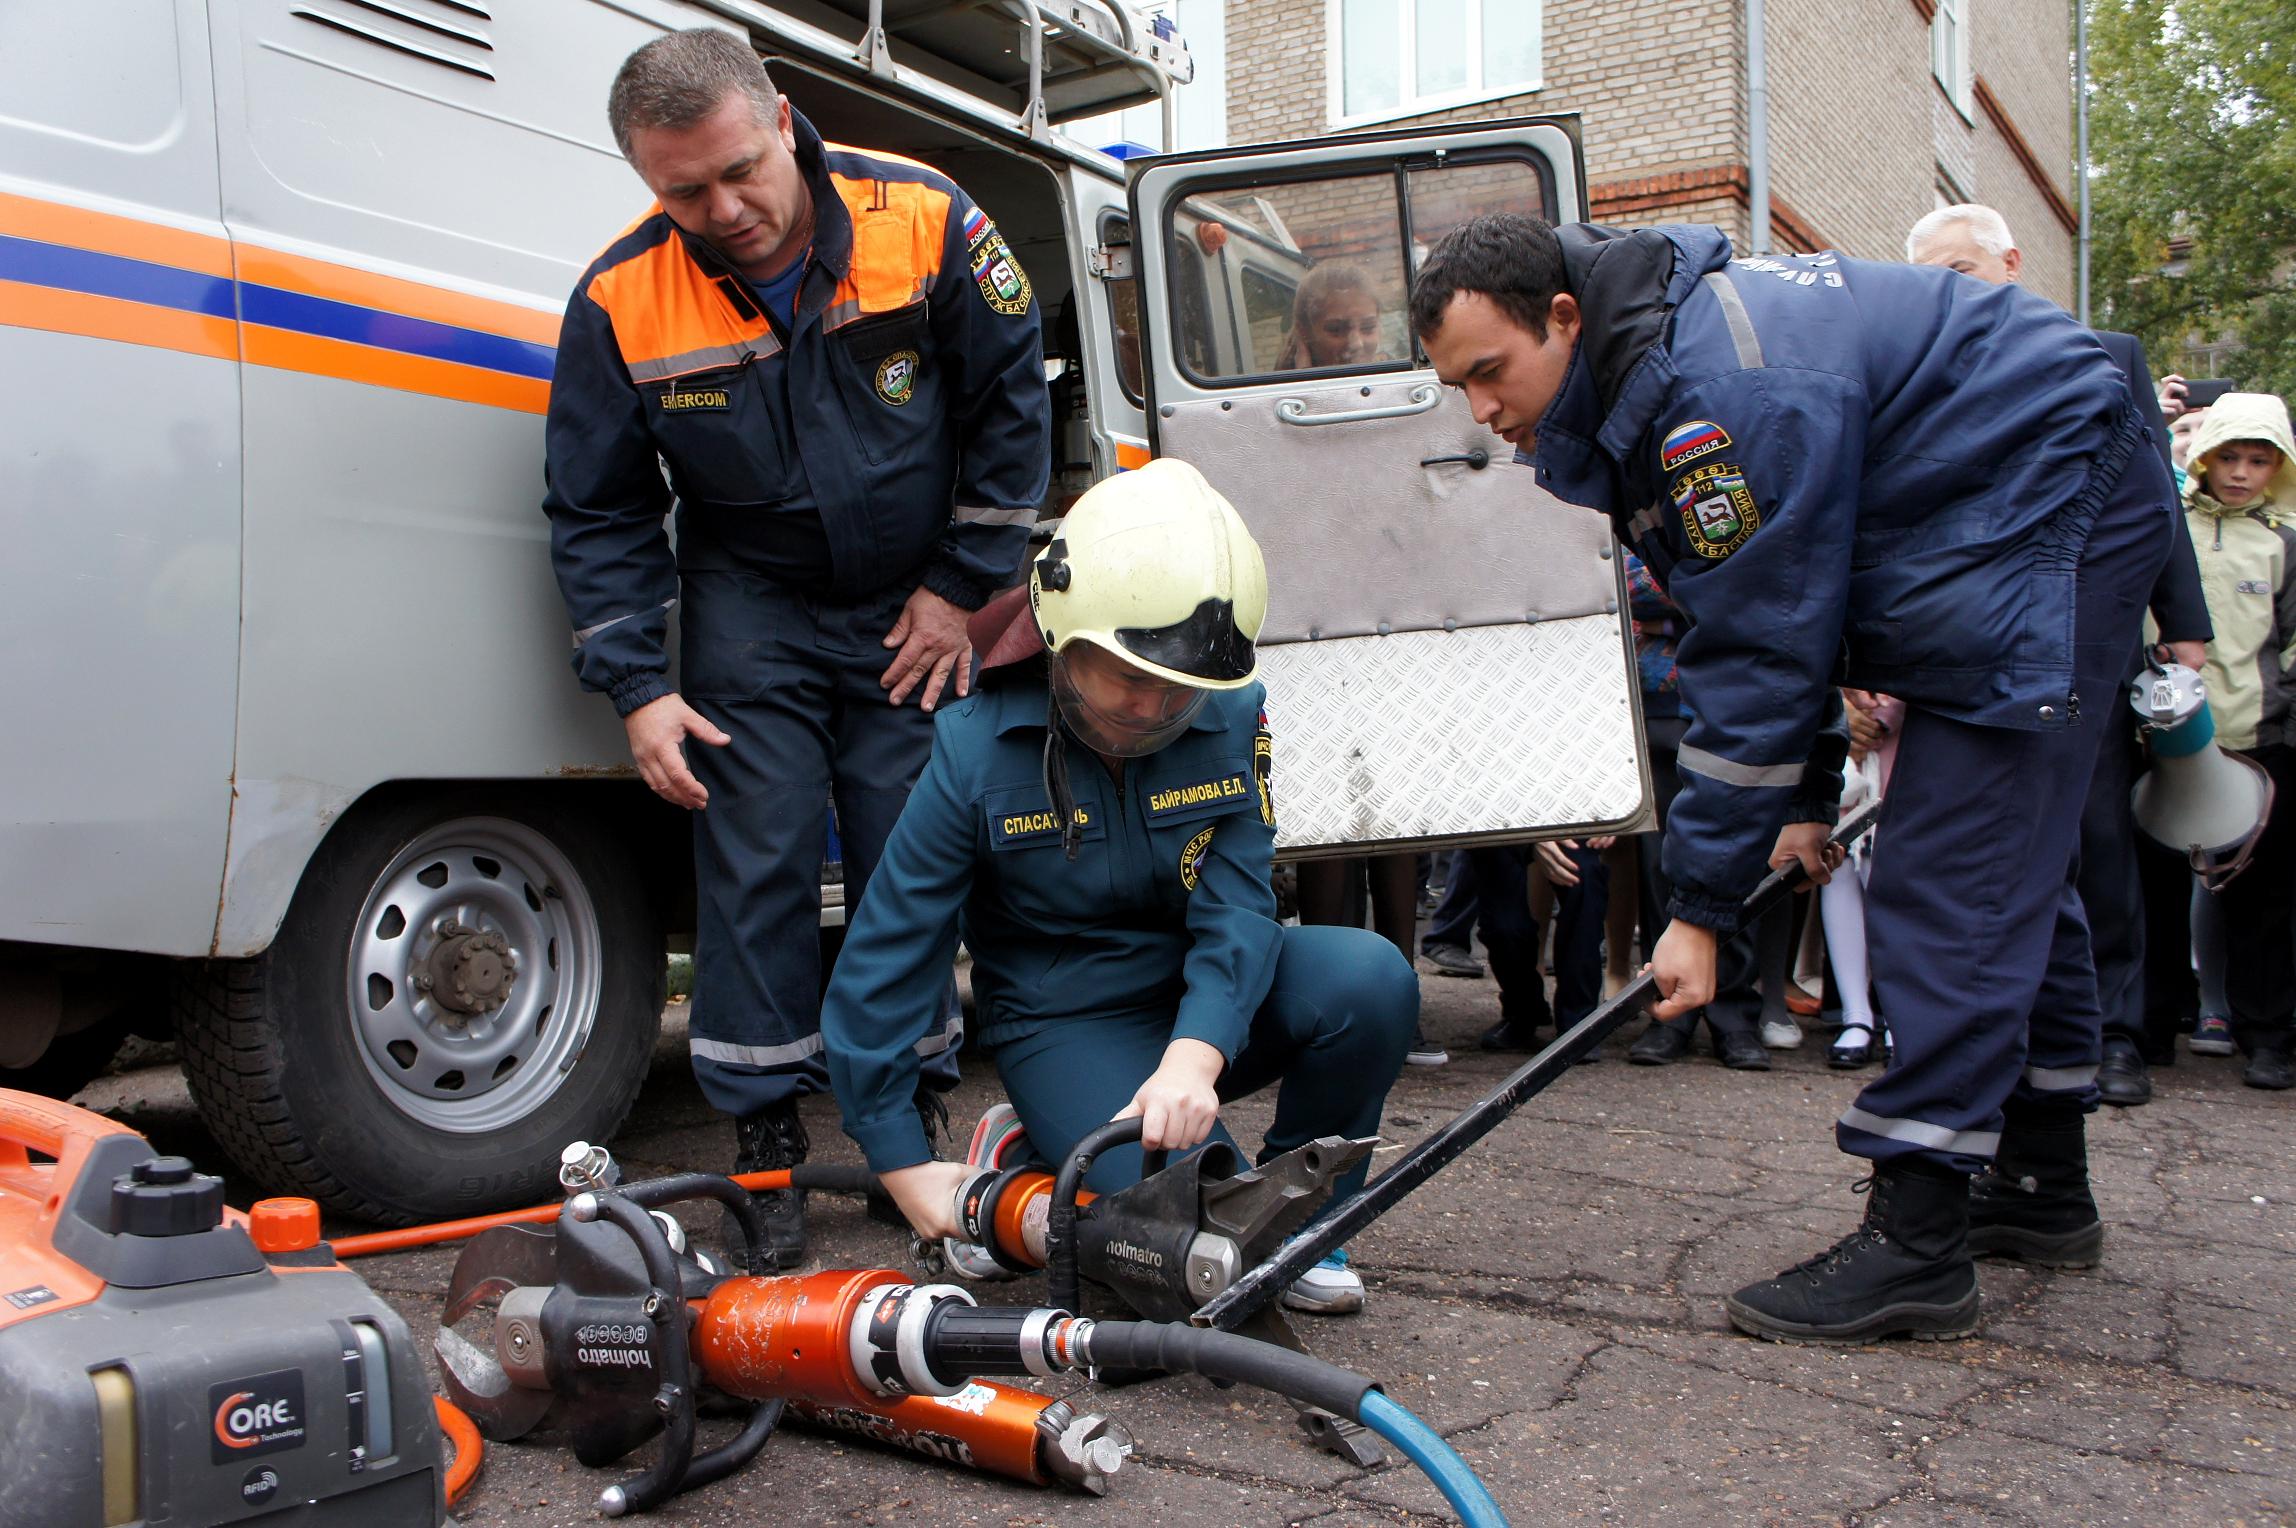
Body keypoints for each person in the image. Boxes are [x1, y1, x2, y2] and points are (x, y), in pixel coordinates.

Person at [1411, 211, 2171, 1344]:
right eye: (1454, 386)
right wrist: (1807, 797)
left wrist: (1702, 909)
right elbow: (1779, 604)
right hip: (2001, 488)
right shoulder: (1656, 365)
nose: (1479, 410)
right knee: (2004, 856)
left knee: (1955, 872)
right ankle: (2042, 1185)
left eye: (1490, 372)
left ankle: (1919, 1243)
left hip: (2052, 490)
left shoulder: (1721, 396)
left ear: (1563, 320)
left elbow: (1761, 648)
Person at [542, 30, 1049, 1266]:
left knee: (906, 856)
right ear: (643, 182)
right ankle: (765, 1138)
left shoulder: (922, 221)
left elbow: (1011, 403)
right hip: (748, 601)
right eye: (682, 192)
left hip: (907, 602)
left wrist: (957, 594)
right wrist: (639, 688)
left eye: (737, 171)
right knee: (755, 853)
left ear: (780, 116)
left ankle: (904, 1114)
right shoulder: (620, 295)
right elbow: (597, 506)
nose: (725, 211)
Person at [820, 460, 1419, 1315]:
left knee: (1371, 980)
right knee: (1193, 1248)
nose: (1153, 706)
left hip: (1196, 1000)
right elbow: (891, 947)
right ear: (1066, 637)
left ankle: (1304, 1217)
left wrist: (1197, 1051)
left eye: (1177, 686)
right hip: (1066, 1015)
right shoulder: (974, 744)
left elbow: (1241, 901)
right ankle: (1029, 1151)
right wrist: (900, 1162)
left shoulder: (1230, 708)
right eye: (1130, 676)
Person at [1908, 205, 2214, 1107]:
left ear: (2011, 261)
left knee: (2099, 841)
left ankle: (2117, 1034)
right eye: (1932, 278)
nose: (1946, 292)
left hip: (2091, 637)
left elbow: (2154, 495)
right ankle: (2013, 1037)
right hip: (1984, 644)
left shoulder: (2105, 357)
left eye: (1960, 271)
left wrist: (2181, 624)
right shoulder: (1928, 376)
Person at [1276, 264, 1445, 1064]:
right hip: (1309, 635)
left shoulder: (1407, 401)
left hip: (1387, 632)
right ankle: (1338, 1002)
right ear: (1305, 336)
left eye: (1366, 326)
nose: (1355, 342)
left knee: (1396, 825)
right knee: (1325, 836)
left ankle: (1400, 1000)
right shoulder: (1277, 415)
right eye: (1337, 328)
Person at [2176, 393, 2296, 1089]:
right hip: (2170, 737)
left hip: (2261, 740)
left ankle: (2267, 1033)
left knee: (2262, 894)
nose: (2242, 473)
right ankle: (2150, 1023)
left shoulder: (2286, 539)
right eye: (2230, 456)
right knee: (2157, 886)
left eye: (2259, 460)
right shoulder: (2171, 527)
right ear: (2204, 456)